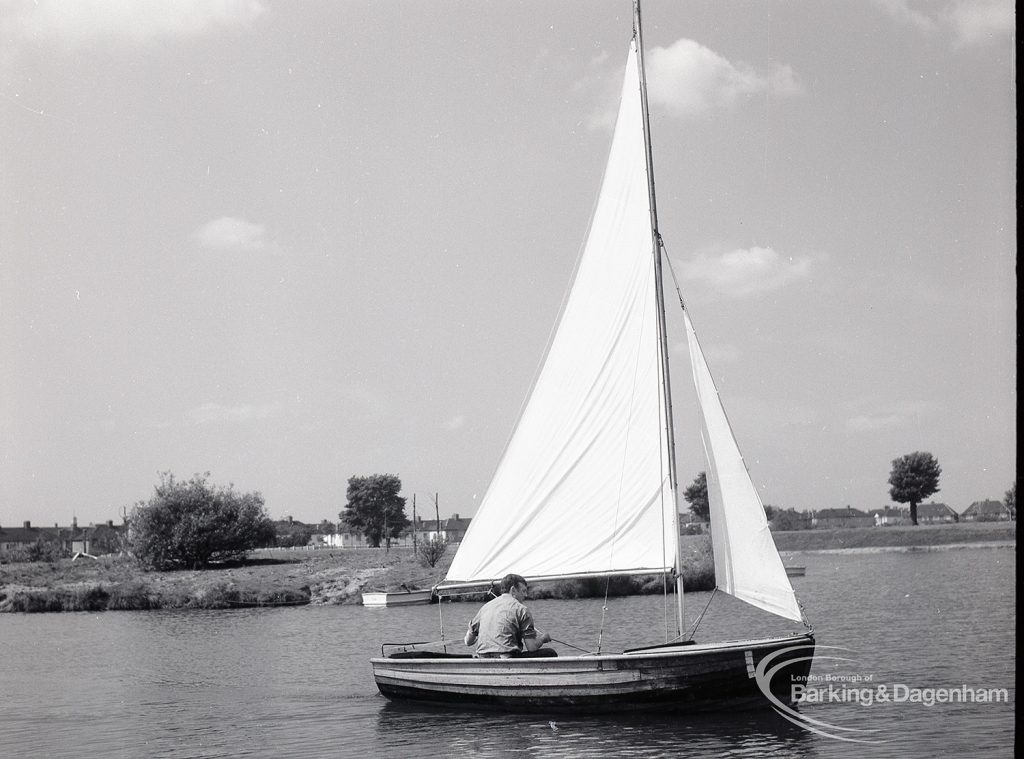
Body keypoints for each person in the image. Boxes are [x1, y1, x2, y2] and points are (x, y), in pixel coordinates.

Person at [464, 573, 556, 658]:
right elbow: (531, 647)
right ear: (513, 590)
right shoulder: (522, 609)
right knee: (550, 653)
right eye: (523, 591)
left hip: (483, 659)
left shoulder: (485, 607)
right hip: (507, 659)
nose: (526, 595)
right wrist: (543, 639)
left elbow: (468, 642)